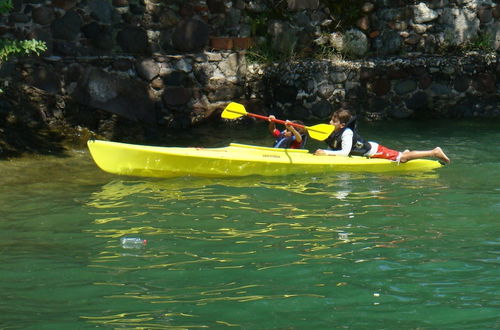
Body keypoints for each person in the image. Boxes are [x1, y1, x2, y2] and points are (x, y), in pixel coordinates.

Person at [314, 109, 450, 164]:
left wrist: (325, 153)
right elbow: (335, 148)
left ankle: (434, 152)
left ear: (342, 125)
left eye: (334, 121)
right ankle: (404, 152)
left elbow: (344, 153)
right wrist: (326, 152)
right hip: (367, 152)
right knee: (400, 156)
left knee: (402, 159)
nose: (330, 122)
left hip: (374, 151)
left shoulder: (347, 133)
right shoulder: (335, 132)